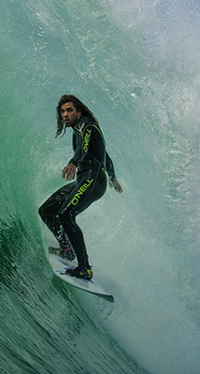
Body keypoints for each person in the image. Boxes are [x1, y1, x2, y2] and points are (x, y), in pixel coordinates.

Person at [39, 94, 123, 280]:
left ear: (79, 111)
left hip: (93, 181)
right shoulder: (82, 130)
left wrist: (73, 162)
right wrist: (113, 177)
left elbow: (84, 148)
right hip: (84, 180)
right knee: (47, 210)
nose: (65, 115)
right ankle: (67, 249)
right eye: (62, 112)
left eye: (69, 110)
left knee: (66, 215)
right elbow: (105, 155)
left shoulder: (86, 125)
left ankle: (85, 268)